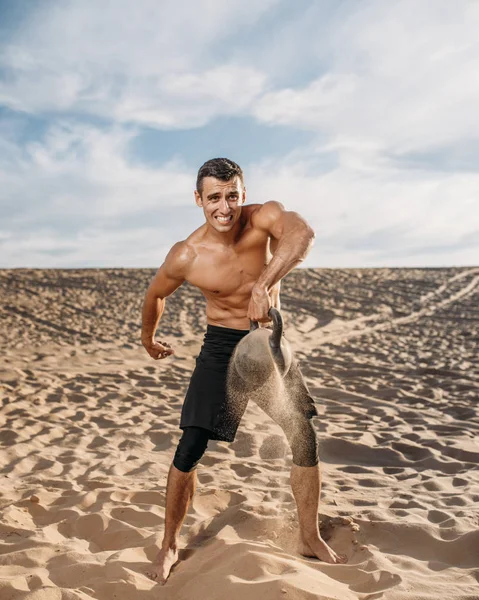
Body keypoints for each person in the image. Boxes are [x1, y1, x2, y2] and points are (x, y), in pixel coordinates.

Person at [141, 158, 347, 584]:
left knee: (303, 433)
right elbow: (156, 294)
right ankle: (169, 544)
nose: (225, 206)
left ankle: (308, 536)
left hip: (268, 343)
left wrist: (262, 284)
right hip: (220, 348)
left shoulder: (264, 217)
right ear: (198, 199)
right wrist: (149, 338)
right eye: (214, 197)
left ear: (243, 194)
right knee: (191, 445)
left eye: (232, 195)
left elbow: (302, 235)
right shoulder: (187, 253)